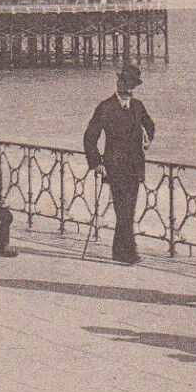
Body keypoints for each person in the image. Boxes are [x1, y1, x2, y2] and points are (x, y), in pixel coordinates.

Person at [83, 63, 156, 265]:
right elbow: (90, 137)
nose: (130, 89)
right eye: (127, 83)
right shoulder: (106, 107)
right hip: (114, 168)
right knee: (123, 210)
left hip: (135, 167)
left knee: (128, 210)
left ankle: (119, 251)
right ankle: (129, 253)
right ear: (119, 83)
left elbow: (150, 125)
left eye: (134, 85)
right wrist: (97, 163)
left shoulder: (138, 106)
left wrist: (147, 139)